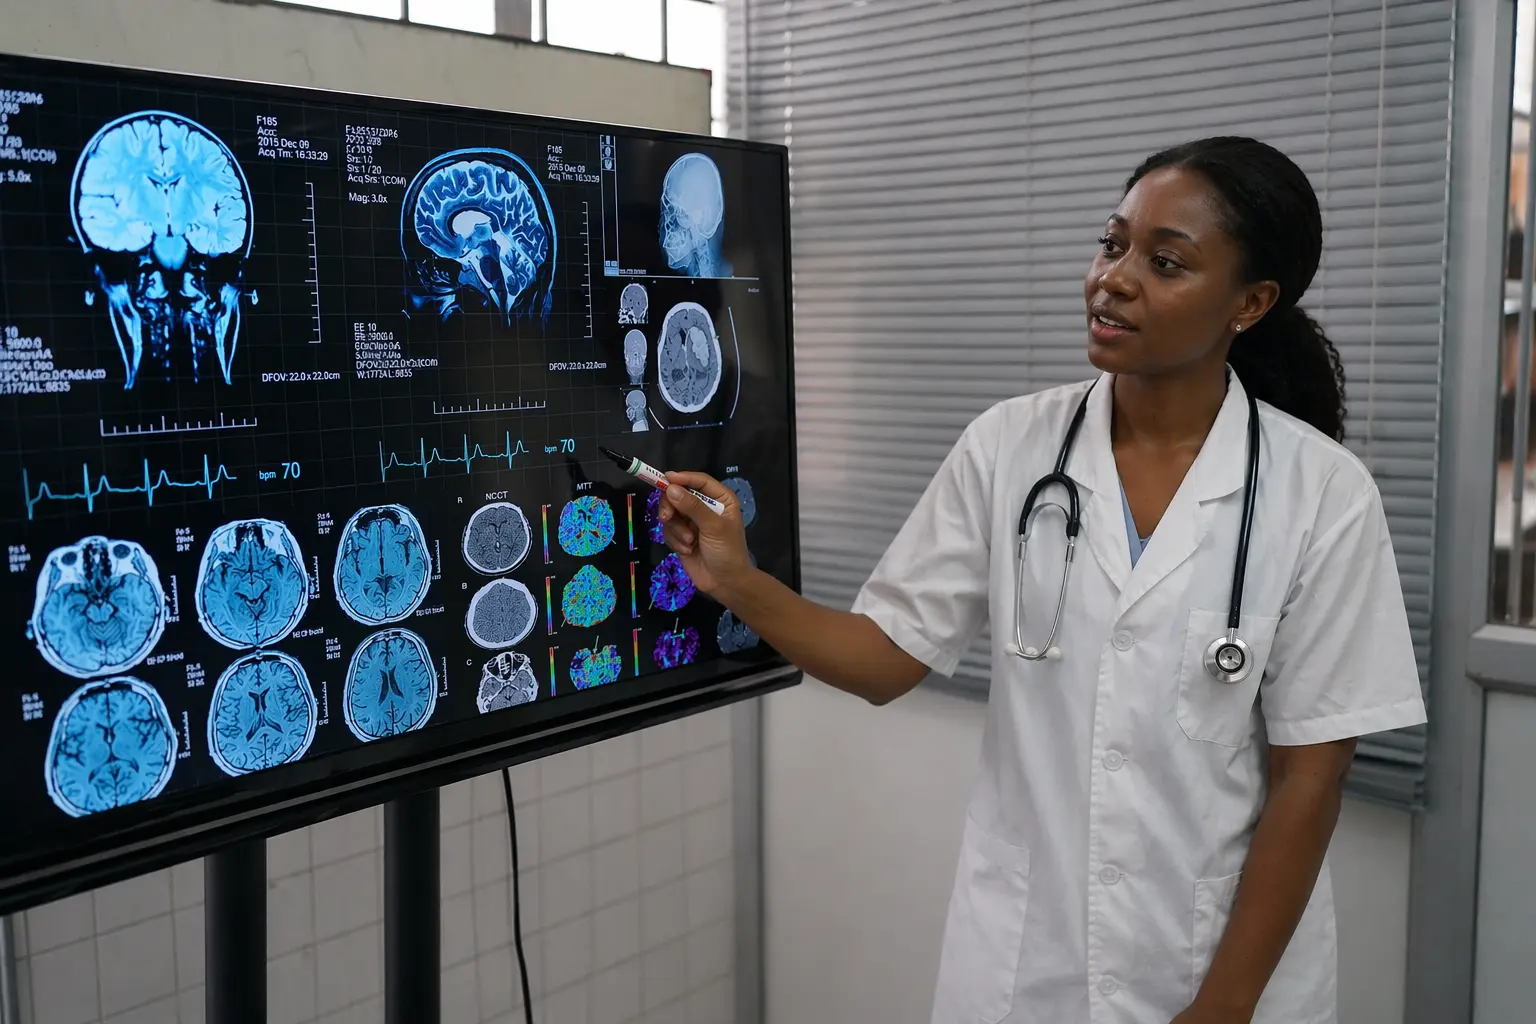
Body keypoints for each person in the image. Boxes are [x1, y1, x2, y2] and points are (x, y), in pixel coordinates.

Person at [655, 136, 1428, 1024]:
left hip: (1219, 969)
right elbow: (884, 660)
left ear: (1249, 304)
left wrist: (1223, 1007)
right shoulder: (1011, 447)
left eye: (1165, 262)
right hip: (1030, 964)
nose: (1115, 278)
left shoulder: (1321, 492)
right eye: (1113, 244)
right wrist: (741, 582)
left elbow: (1311, 779)